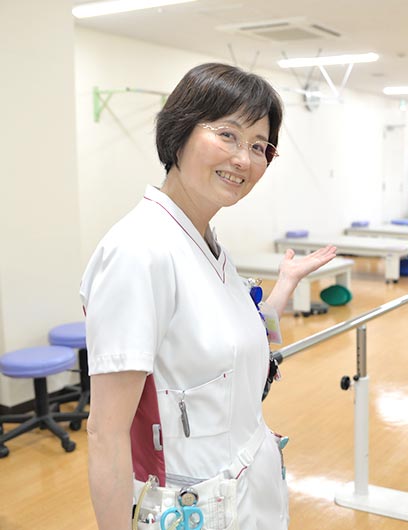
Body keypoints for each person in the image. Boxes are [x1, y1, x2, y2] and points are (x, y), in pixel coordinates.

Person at [80, 63, 336, 530]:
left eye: (259, 146)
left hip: (248, 487)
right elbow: (105, 431)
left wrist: (284, 287)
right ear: (179, 131)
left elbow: (235, 347)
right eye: (229, 135)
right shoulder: (140, 250)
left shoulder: (207, 243)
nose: (245, 158)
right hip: (190, 502)